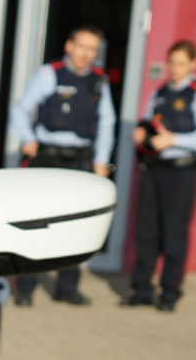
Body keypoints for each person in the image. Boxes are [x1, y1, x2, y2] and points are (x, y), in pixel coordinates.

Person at [7, 25, 115, 306]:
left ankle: (67, 287)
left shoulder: (99, 80)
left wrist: (102, 160)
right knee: (37, 221)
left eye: (93, 50)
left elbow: (107, 123)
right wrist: (28, 139)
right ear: (69, 46)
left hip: (80, 158)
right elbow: (20, 109)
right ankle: (26, 287)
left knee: (77, 224)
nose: (86, 54)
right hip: (47, 156)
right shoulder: (48, 73)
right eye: (82, 47)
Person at [128, 39, 196, 312]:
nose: (175, 68)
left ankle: (169, 293)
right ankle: (141, 289)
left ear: (194, 64)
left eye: (181, 63)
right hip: (154, 169)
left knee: (174, 234)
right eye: (172, 62)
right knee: (146, 232)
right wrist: (142, 136)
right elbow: (149, 127)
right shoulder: (158, 94)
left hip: (182, 171)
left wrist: (174, 140)